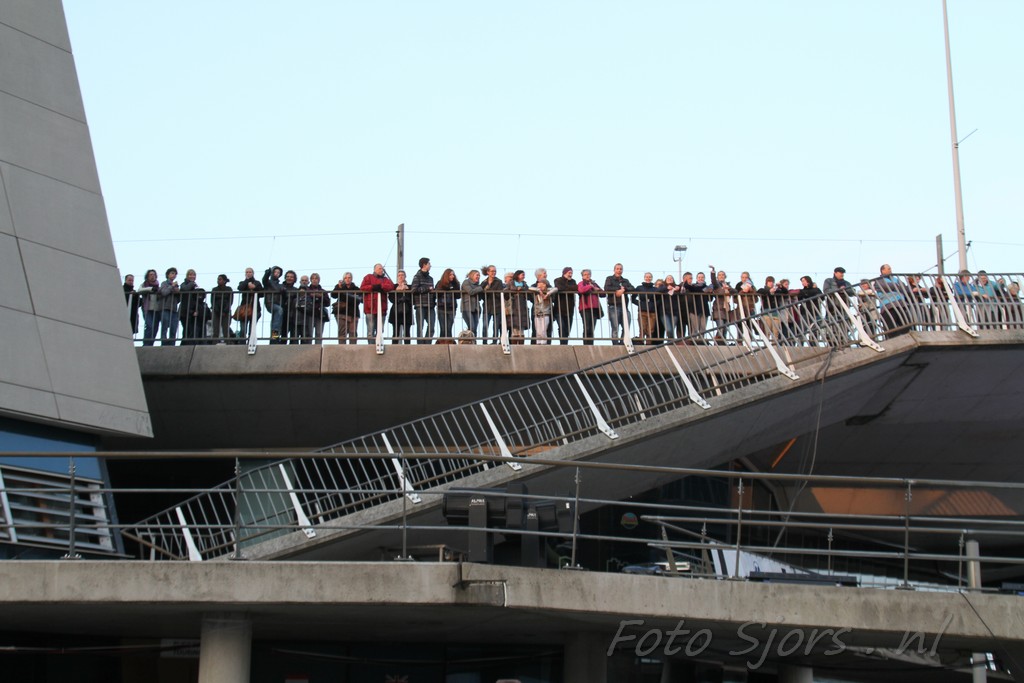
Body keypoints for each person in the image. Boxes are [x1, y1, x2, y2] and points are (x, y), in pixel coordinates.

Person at [873, 264, 909, 337]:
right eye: (888, 269)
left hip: (900, 304)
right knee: (891, 328)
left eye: (890, 268)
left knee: (906, 326)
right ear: (883, 270)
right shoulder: (879, 280)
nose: (890, 270)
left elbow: (904, 288)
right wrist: (897, 286)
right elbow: (885, 286)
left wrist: (894, 286)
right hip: (888, 306)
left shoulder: (895, 279)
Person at [360, 264, 395, 343]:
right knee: (370, 330)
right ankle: (371, 347)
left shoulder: (385, 279)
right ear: (375, 269)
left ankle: (378, 344)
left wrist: (381, 286)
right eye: (379, 268)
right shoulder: (368, 277)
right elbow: (362, 287)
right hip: (370, 308)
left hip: (382, 308)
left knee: (380, 330)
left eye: (382, 269)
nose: (381, 270)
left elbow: (391, 286)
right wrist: (373, 287)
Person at [603, 263, 634, 346]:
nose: (619, 270)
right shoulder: (609, 279)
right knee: (615, 327)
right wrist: (618, 290)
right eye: (617, 269)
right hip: (613, 306)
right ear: (614, 270)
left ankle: (623, 342)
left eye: (620, 269)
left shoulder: (625, 281)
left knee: (626, 326)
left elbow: (632, 288)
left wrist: (624, 290)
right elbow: (607, 288)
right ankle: (615, 344)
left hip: (624, 307)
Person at [178, 269, 208, 345]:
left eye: (194, 275)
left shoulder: (194, 286)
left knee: (191, 330)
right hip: (184, 311)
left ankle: (189, 344)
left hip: (191, 311)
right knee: (186, 329)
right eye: (190, 275)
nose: (192, 276)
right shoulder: (184, 284)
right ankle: (184, 345)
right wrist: (192, 284)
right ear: (187, 276)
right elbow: (185, 289)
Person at [411, 257, 435, 344]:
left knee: (432, 326)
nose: (430, 265)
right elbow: (414, 290)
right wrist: (427, 289)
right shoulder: (417, 277)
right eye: (429, 264)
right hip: (420, 305)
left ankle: (427, 343)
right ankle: (420, 344)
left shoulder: (430, 278)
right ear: (424, 265)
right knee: (420, 326)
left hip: (430, 305)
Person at [331, 272, 360, 344]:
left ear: (351, 279)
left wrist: (347, 297)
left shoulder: (356, 288)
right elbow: (333, 295)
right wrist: (339, 287)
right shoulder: (340, 286)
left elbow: (359, 299)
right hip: (342, 312)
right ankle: (342, 348)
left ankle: (353, 348)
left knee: (353, 333)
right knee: (342, 332)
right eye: (345, 278)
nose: (347, 279)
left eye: (349, 277)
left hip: (353, 313)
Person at [235, 267, 263, 339]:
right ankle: (242, 343)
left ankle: (250, 343)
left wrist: (254, 288)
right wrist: (247, 280)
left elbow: (262, 294)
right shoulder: (242, 282)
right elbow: (240, 288)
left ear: (253, 273)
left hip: (255, 308)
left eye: (250, 272)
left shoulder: (257, 283)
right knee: (243, 329)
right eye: (247, 272)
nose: (248, 273)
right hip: (244, 309)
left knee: (252, 329)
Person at [683, 271, 710, 342]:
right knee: (695, 328)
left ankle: (701, 342)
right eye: (699, 277)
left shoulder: (708, 287)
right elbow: (687, 286)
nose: (700, 278)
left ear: (704, 278)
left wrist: (710, 292)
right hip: (694, 309)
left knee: (703, 328)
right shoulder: (693, 286)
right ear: (696, 278)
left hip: (704, 309)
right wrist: (686, 280)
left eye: (702, 277)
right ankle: (693, 342)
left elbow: (710, 299)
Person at [708, 266, 733, 344]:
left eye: (723, 275)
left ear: (725, 276)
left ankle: (722, 344)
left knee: (725, 329)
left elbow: (735, 291)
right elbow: (713, 280)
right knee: (720, 327)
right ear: (717, 277)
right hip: (718, 308)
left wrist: (729, 289)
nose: (721, 276)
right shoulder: (717, 285)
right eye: (719, 275)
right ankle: (717, 344)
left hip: (726, 309)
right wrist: (713, 271)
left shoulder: (728, 285)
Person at [553, 267, 577, 345]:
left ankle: (565, 344)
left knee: (567, 329)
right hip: (559, 308)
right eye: (569, 273)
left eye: (571, 273)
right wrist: (569, 288)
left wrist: (566, 288)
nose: (570, 275)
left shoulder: (573, 281)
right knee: (562, 327)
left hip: (570, 309)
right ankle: (562, 344)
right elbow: (559, 287)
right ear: (564, 273)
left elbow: (575, 288)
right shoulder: (558, 280)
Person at [435, 268, 460, 341]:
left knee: (449, 328)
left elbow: (458, 295)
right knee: (443, 328)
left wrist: (453, 288)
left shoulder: (455, 284)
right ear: (446, 275)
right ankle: (441, 344)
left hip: (451, 308)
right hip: (441, 307)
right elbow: (436, 294)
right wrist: (447, 288)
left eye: (453, 275)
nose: (452, 276)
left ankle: (449, 342)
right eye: (450, 275)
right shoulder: (440, 283)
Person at [388, 270, 413, 343]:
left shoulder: (410, 287)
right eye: (399, 275)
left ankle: (407, 348)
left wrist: (406, 293)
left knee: (407, 332)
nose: (401, 276)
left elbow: (412, 298)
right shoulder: (393, 287)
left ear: (405, 276)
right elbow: (391, 298)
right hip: (396, 311)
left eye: (402, 275)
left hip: (407, 311)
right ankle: (394, 347)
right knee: (395, 332)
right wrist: (398, 297)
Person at [157, 267, 181, 346]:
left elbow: (178, 299)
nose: (174, 275)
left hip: (173, 309)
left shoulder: (176, 285)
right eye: (172, 273)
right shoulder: (164, 283)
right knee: (164, 326)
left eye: (175, 274)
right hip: (165, 308)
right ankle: (164, 343)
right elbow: (164, 292)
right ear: (168, 274)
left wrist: (178, 292)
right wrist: (172, 287)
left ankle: (172, 344)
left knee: (173, 327)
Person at [633, 272, 658, 344]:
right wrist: (640, 304)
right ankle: (641, 342)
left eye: (649, 277)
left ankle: (648, 344)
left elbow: (659, 299)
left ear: (652, 278)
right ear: (644, 278)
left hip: (652, 311)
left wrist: (654, 304)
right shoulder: (639, 288)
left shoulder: (655, 289)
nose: (648, 278)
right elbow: (633, 298)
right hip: (642, 311)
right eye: (647, 277)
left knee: (650, 329)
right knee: (642, 328)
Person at [578, 269, 601, 345]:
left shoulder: (594, 284)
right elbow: (581, 290)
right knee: (587, 327)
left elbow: (603, 294)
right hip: (585, 308)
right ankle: (586, 345)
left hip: (594, 308)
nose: (587, 276)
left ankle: (591, 344)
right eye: (585, 274)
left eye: (588, 274)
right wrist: (590, 286)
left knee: (592, 328)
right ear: (582, 276)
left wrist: (597, 289)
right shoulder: (581, 283)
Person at [481, 264, 504, 343]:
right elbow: (481, 295)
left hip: (497, 306)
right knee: (485, 326)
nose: (494, 273)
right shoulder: (484, 282)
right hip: (487, 306)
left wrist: (488, 290)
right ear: (488, 272)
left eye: (495, 271)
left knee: (495, 326)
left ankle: (494, 342)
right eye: (492, 271)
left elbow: (499, 293)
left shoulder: (499, 281)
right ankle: (484, 342)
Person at [305, 273, 330, 344]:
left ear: (319, 280)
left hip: (320, 314)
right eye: (313, 278)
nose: (314, 280)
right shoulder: (307, 290)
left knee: (319, 333)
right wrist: (311, 296)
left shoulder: (323, 291)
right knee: (309, 333)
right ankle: (309, 348)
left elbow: (328, 303)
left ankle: (318, 348)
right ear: (310, 280)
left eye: (316, 278)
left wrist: (320, 296)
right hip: (310, 313)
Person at [262, 266, 285, 342]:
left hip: (278, 303)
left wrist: (284, 291)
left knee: (276, 320)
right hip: (270, 302)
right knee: (279, 310)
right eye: (275, 272)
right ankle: (275, 333)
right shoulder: (268, 282)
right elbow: (264, 280)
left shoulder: (281, 285)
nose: (277, 274)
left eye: (278, 272)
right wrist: (267, 273)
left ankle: (274, 337)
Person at [137, 269, 160, 346]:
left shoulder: (157, 285)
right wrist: (150, 289)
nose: (152, 276)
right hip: (147, 309)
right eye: (150, 274)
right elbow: (139, 290)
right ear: (147, 276)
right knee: (150, 326)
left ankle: (151, 343)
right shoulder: (144, 284)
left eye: (154, 274)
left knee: (155, 328)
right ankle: (146, 343)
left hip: (156, 309)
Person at [506, 270, 530, 343]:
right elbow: (509, 290)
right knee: (514, 327)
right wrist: (517, 289)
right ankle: (514, 343)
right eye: (522, 275)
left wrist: (521, 289)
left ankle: (521, 342)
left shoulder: (524, 284)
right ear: (518, 275)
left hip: (522, 306)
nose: (523, 276)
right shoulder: (511, 283)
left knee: (521, 326)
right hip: (514, 305)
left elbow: (527, 290)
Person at [530, 268, 552, 342]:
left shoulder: (549, 287)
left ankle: (546, 344)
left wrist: (547, 294)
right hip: (537, 310)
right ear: (539, 275)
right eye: (544, 273)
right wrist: (539, 290)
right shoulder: (534, 286)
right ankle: (536, 344)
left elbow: (554, 293)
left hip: (546, 310)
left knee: (546, 329)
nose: (546, 275)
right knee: (536, 329)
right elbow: (530, 296)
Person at [210, 274, 233, 343]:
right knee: (215, 329)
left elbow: (230, 301)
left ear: (224, 281)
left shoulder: (229, 289)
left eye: (220, 279)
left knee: (226, 329)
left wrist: (225, 311)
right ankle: (214, 343)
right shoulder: (214, 289)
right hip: (216, 311)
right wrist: (217, 310)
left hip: (226, 311)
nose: (218, 281)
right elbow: (212, 301)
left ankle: (227, 343)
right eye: (218, 279)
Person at [657, 275, 681, 342]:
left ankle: (670, 342)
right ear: (665, 280)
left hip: (674, 312)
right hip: (664, 312)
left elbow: (682, 289)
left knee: (672, 330)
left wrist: (678, 288)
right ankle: (671, 341)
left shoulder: (676, 287)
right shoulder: (662, 286)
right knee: (669, 329)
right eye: (668, 278)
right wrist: (667, 288)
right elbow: (658, 290)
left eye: (671, 278)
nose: (670, 279)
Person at [460, 269, 483, 337]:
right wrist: (481, 288)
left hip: (476, 308)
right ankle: (470, 340)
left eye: (479, 275)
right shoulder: (466, 282)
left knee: (474, 328)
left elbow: (480, 298)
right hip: (467, 307)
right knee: (472, 326)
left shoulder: (478, 285)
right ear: (472, 275)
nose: (478, 277)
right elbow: (470, 292)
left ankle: (473, 341)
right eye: (477, 275)